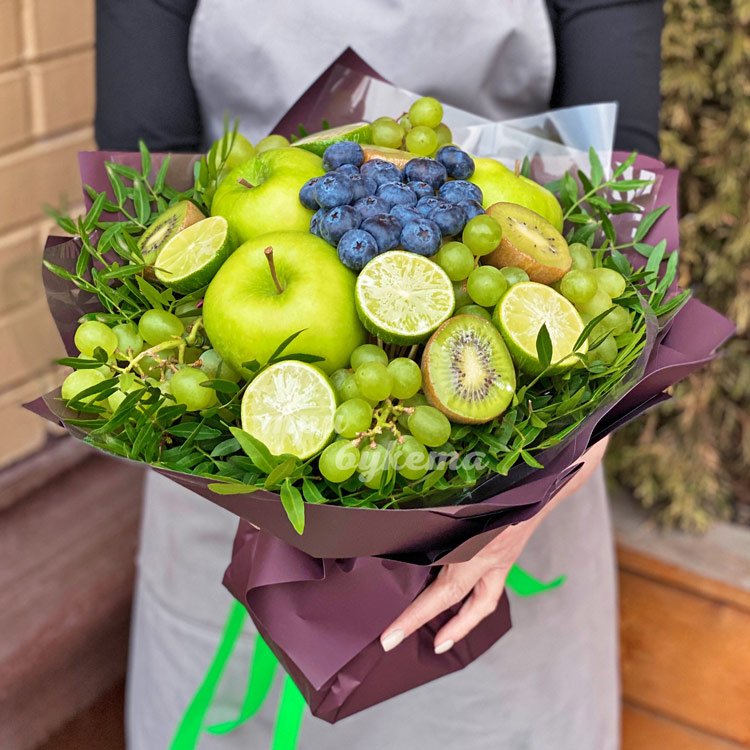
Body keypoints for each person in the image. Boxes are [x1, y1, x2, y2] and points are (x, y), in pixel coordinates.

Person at [96, 2, 663, 748]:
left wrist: (549, 478)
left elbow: (625, 196)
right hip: (235, 459)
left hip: (505, 479)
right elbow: (139, 193)